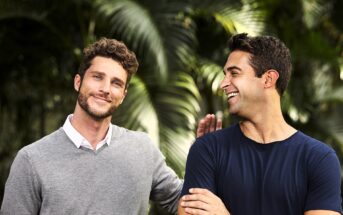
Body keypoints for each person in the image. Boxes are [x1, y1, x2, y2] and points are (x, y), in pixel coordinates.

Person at [0, 38, 221, 214]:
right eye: (97, 77)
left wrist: (203, 160)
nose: (106, 89)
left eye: (116, 83)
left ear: (123, 95)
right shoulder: (31, 160)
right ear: (78, 82)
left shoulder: (142, 148)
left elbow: (184, 204)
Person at [178, 33, 342, 215]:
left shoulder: (318, 159)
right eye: (225, 75)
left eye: (234, 73)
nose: (224, 83)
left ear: (268, 79)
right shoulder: (207, 150)